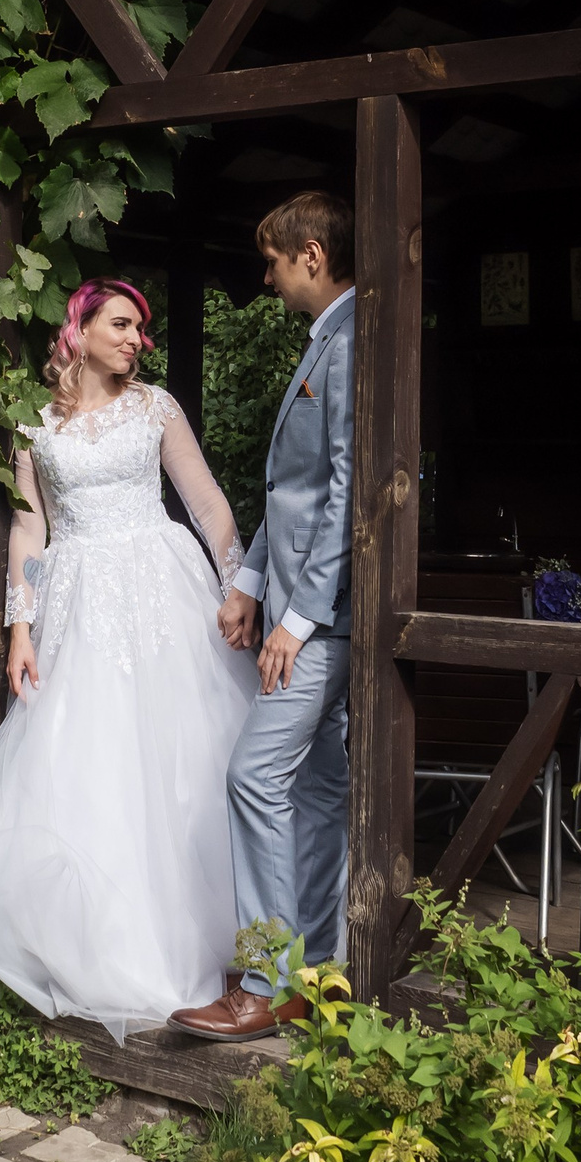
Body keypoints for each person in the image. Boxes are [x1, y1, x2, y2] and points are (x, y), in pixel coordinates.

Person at [0, 277, 258, 1042]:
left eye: (140, 327)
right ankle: (97, 948)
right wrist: (21, 627)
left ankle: (213, 952)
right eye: (120, 324)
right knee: (87, 765)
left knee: (180, 770)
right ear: (79, 331)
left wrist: (238, 589)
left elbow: (206, 504)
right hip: (76, 599)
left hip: (160, 592)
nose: (136, 338)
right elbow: (29, 533)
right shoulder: (37, 426)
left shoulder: (156, 408)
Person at [172, 191, 357, 1043]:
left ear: (310, 256)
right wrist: (249, 579)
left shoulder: (351, 343)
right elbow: (294, 495)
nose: (269, 279)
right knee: (316, 794)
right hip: (293, 605)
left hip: (319, 623)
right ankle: (314, 975)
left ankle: (265, 980)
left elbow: (349, 494)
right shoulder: (326, 340)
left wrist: (300, 618)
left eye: (275, 263)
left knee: (254, 776)